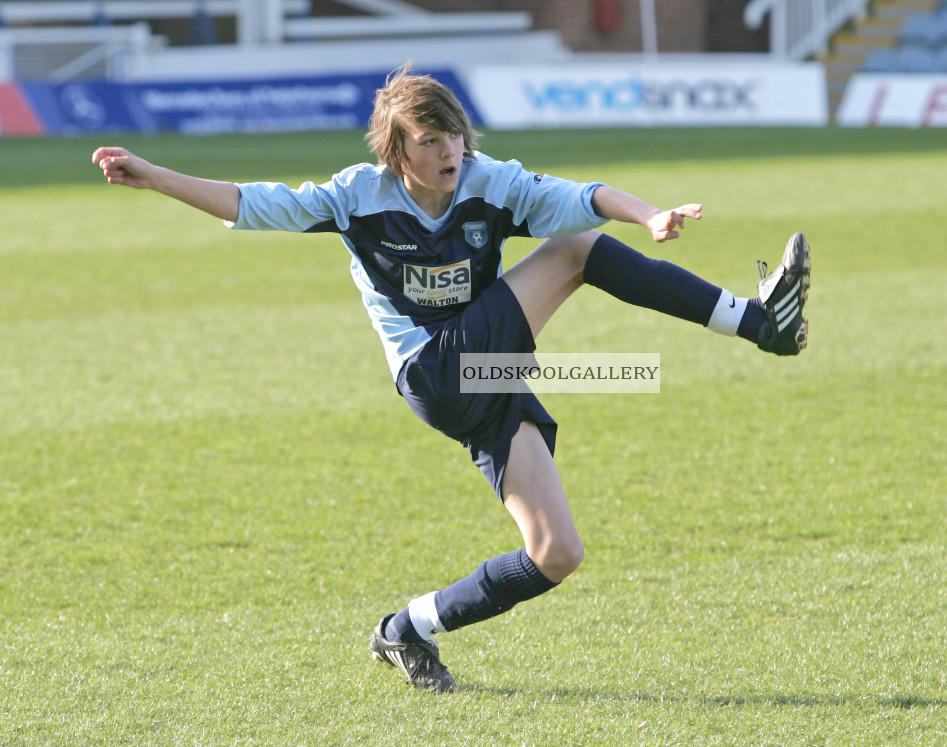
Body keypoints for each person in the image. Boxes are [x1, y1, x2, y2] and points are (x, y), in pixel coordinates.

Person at [92, 62, 810, 695]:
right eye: (429, 142)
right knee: (576, 254)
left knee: (557, 553)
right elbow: (250, 202)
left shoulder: (490, 183)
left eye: (455, 138)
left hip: (487, 371)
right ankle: (758, 324)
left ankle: (406, 627)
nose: (448, 153)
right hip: (434, 373)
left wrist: (650, 214)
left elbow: (585, 193)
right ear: (396, 148)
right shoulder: (356, 196)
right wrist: (152, 175)